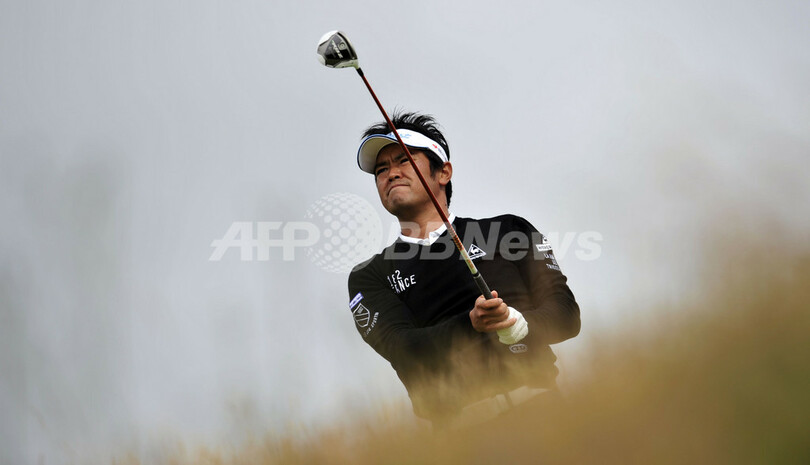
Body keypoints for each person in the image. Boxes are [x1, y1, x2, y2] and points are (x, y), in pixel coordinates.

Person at [347, 111, 580, 427]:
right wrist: (471, 324)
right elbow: (403, 350)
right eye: (381, 169)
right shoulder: (369, 276)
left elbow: (567, 315)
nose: (391, 174)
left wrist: (519, 324)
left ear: (443, 172)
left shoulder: (509, 231)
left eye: (404, 160)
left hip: (544, 411)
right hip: (458, 436)